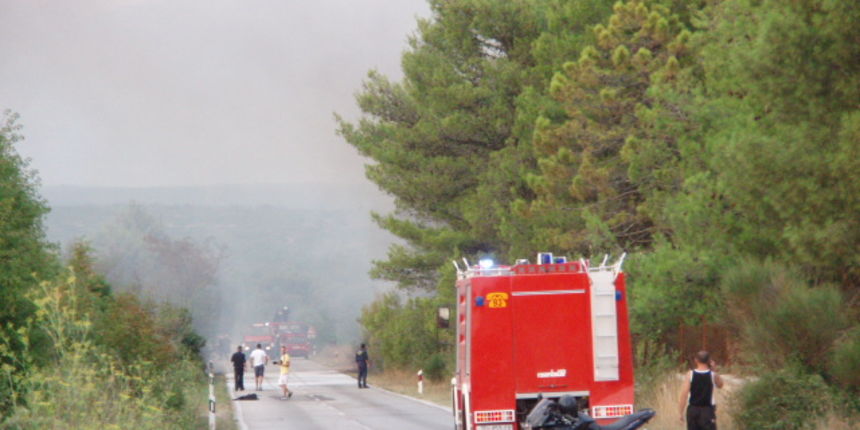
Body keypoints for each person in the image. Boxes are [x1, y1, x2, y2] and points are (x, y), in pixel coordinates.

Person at [679, 350, 724, 430]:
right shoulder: (712, 375)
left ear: (696, 360)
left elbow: (684, 394)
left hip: (693, 410)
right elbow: (720, 385)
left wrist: (680, 412)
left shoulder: (690, 374)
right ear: (709, 361)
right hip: (707, 410)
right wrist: (714, 370)